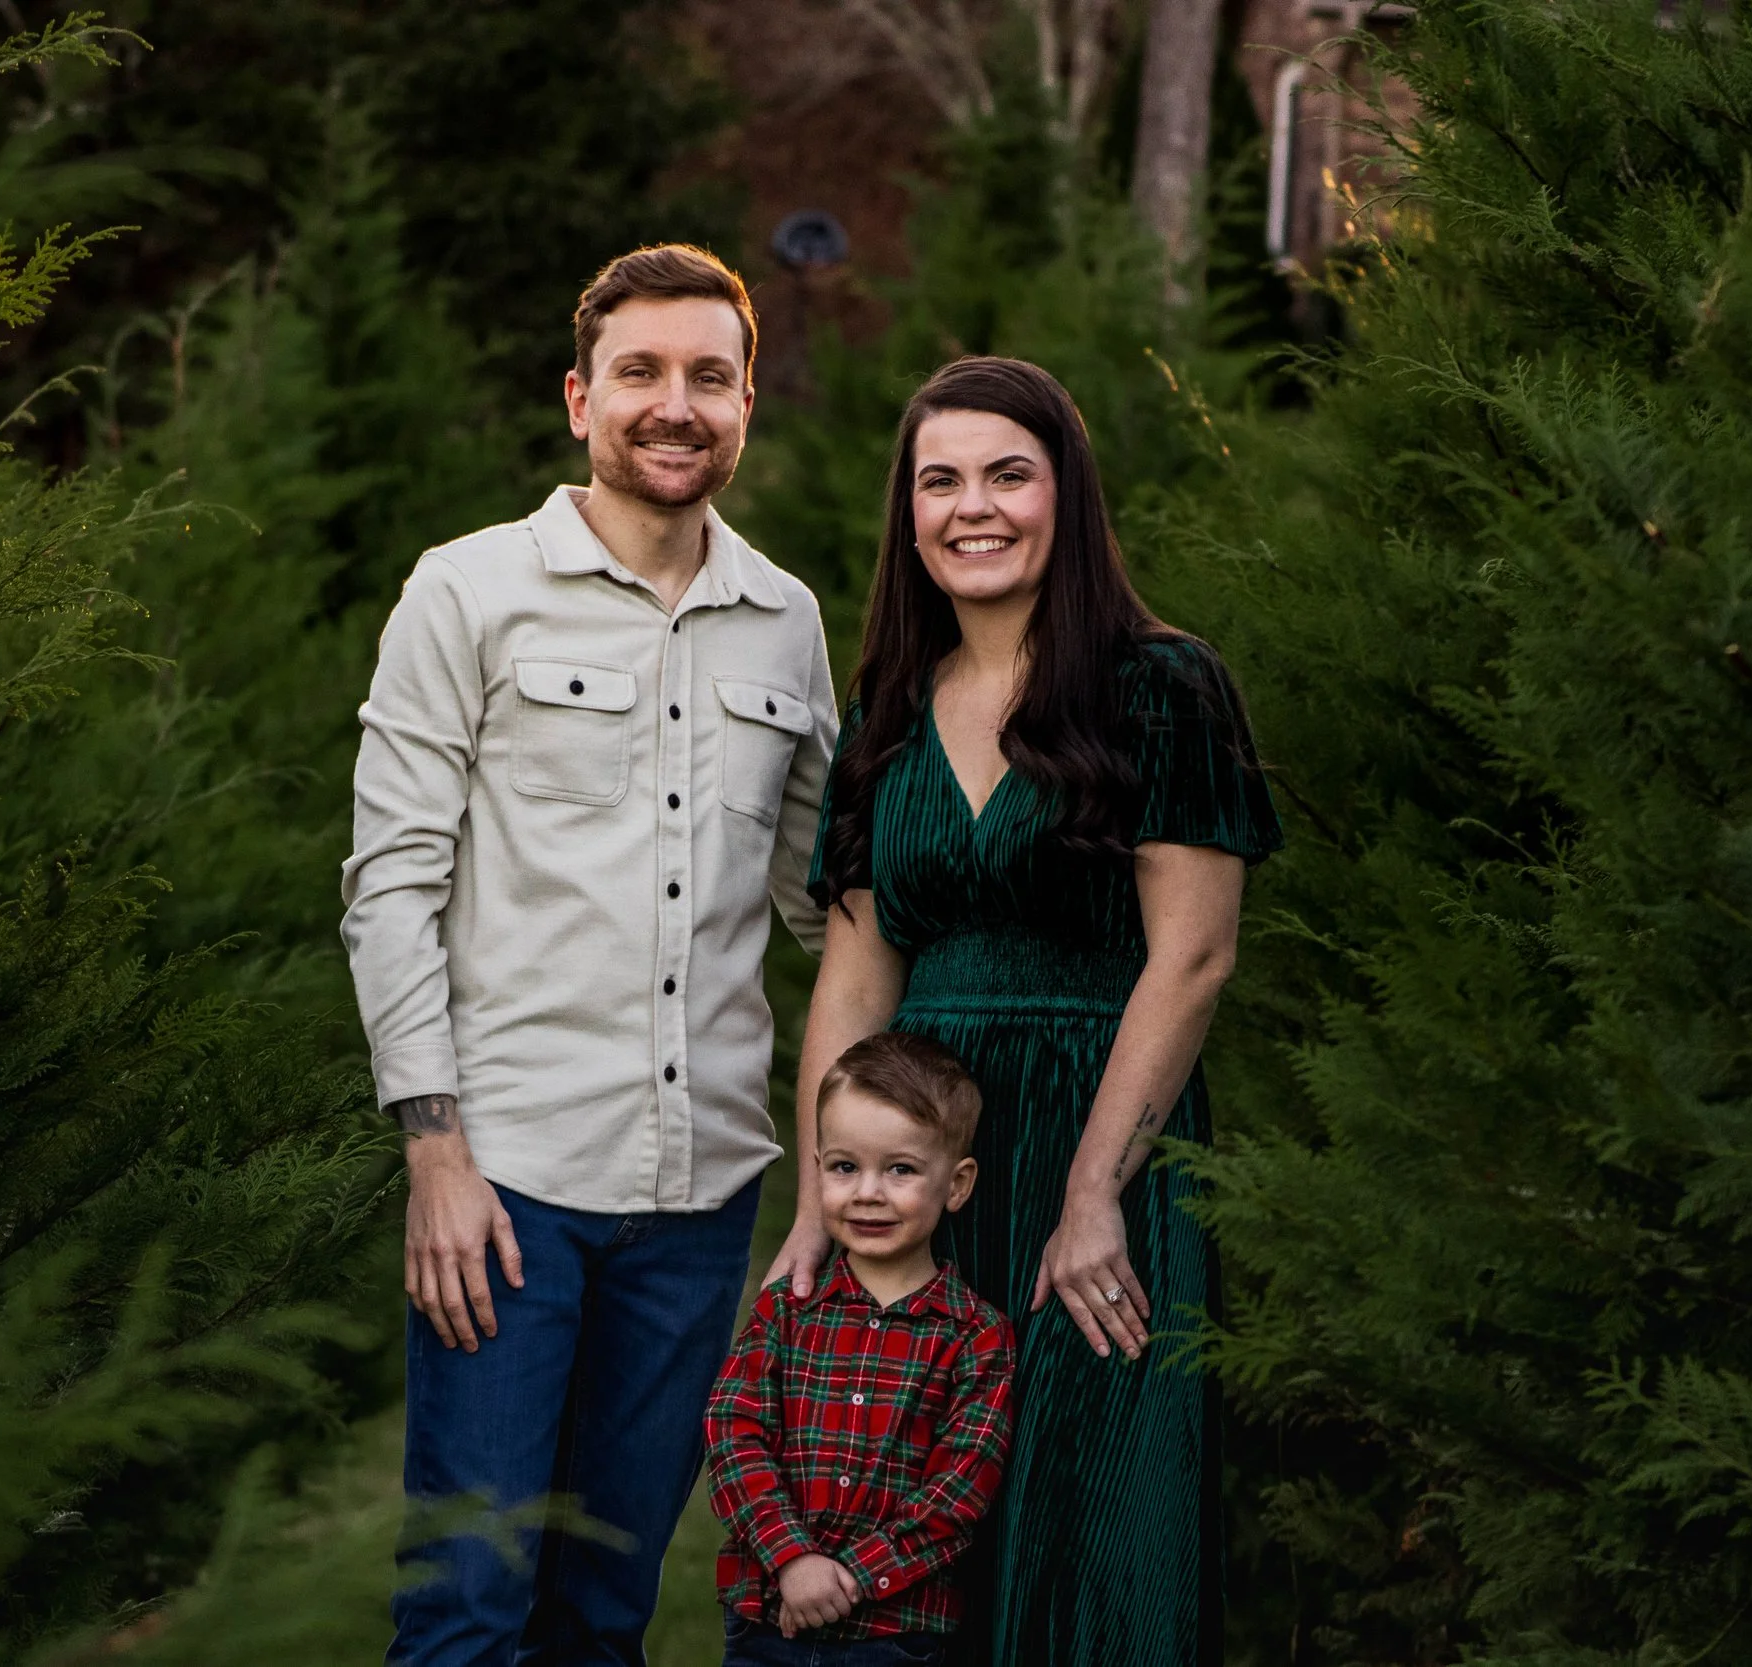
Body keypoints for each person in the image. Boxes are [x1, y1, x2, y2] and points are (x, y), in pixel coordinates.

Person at [341, 244, 838, 1666]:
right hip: (510, 1190)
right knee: (468, 1606)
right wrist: (436, 1153)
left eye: (710, 376)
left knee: (606, 1608)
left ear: (749, 404)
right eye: (641, 373)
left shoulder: (788, 620)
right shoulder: (468, 590)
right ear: (579, 399)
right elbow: (392, 883)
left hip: (703, 1199)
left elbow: (826, 900)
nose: (674, 405)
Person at [763, 356, 1283, 1665]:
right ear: (909, 512)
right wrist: (826, 1200)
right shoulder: (886, 715)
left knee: (1098, 1518)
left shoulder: (1162, 687)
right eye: (940, 479)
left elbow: (1195, 955)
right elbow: (857, 974)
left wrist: (1098, 1187)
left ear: (1067, 495)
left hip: (1098, 1146)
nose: (972, 506)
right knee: (922, 1530)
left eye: (1008, 473)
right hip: (928, 1161)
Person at [706, 1031, 1015, 1667]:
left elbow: (958, 1494)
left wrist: (846, 1580)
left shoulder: (976, 1336)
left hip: (896, 1634)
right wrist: (791, 1558)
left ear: (956, 1184)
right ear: (817, 1168)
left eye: (900, 1169)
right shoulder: (787, 1309)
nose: (868, 1192)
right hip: (768, 1619)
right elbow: (732, 1431)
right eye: (845, 1167)